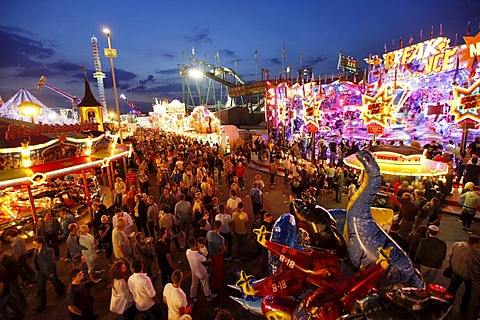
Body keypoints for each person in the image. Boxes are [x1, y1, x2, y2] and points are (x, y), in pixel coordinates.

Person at [448, 235, 480, 316]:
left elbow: (450, 255)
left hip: (455, 271)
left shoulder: (457, 245)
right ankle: (463, 309)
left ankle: (447, 303)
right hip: (468, 276)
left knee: (452, 288)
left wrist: (451, 265)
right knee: (468, 293)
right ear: (475, 244)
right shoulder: (475, 255)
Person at [33, 236, 66, 312]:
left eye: (35, 244)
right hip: (40, 272)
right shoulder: (36, 251)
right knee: (40, 288)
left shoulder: (47, 251)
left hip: (47, 270)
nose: (34, 246)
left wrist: (51, 272)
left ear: (40, 244)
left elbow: (50, 263)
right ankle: (40, 305)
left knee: (54, 281)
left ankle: (61, 289)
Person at [186, 238, 216, 303]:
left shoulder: (188, 252)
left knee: (194, 285)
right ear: (194, 245)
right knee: (205, 285)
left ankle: (192, 298)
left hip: (193, 271)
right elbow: (207, 261)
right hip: (201, 272)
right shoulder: (199, 256)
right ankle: (208, 297)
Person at [207, 220, 226, 291]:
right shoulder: (221, 238)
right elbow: (223, 248)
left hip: (211, 254)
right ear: (220, 227)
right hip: (218, 255)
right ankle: (216, 285)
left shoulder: (209, 233)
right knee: (219, 270)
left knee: (214, 267)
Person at [467, 255, 480, 320]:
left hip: (476, 285)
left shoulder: (477, 259)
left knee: (473, 303)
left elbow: (471, 266)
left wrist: (473, 278)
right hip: (477, 285)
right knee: (474, 304)